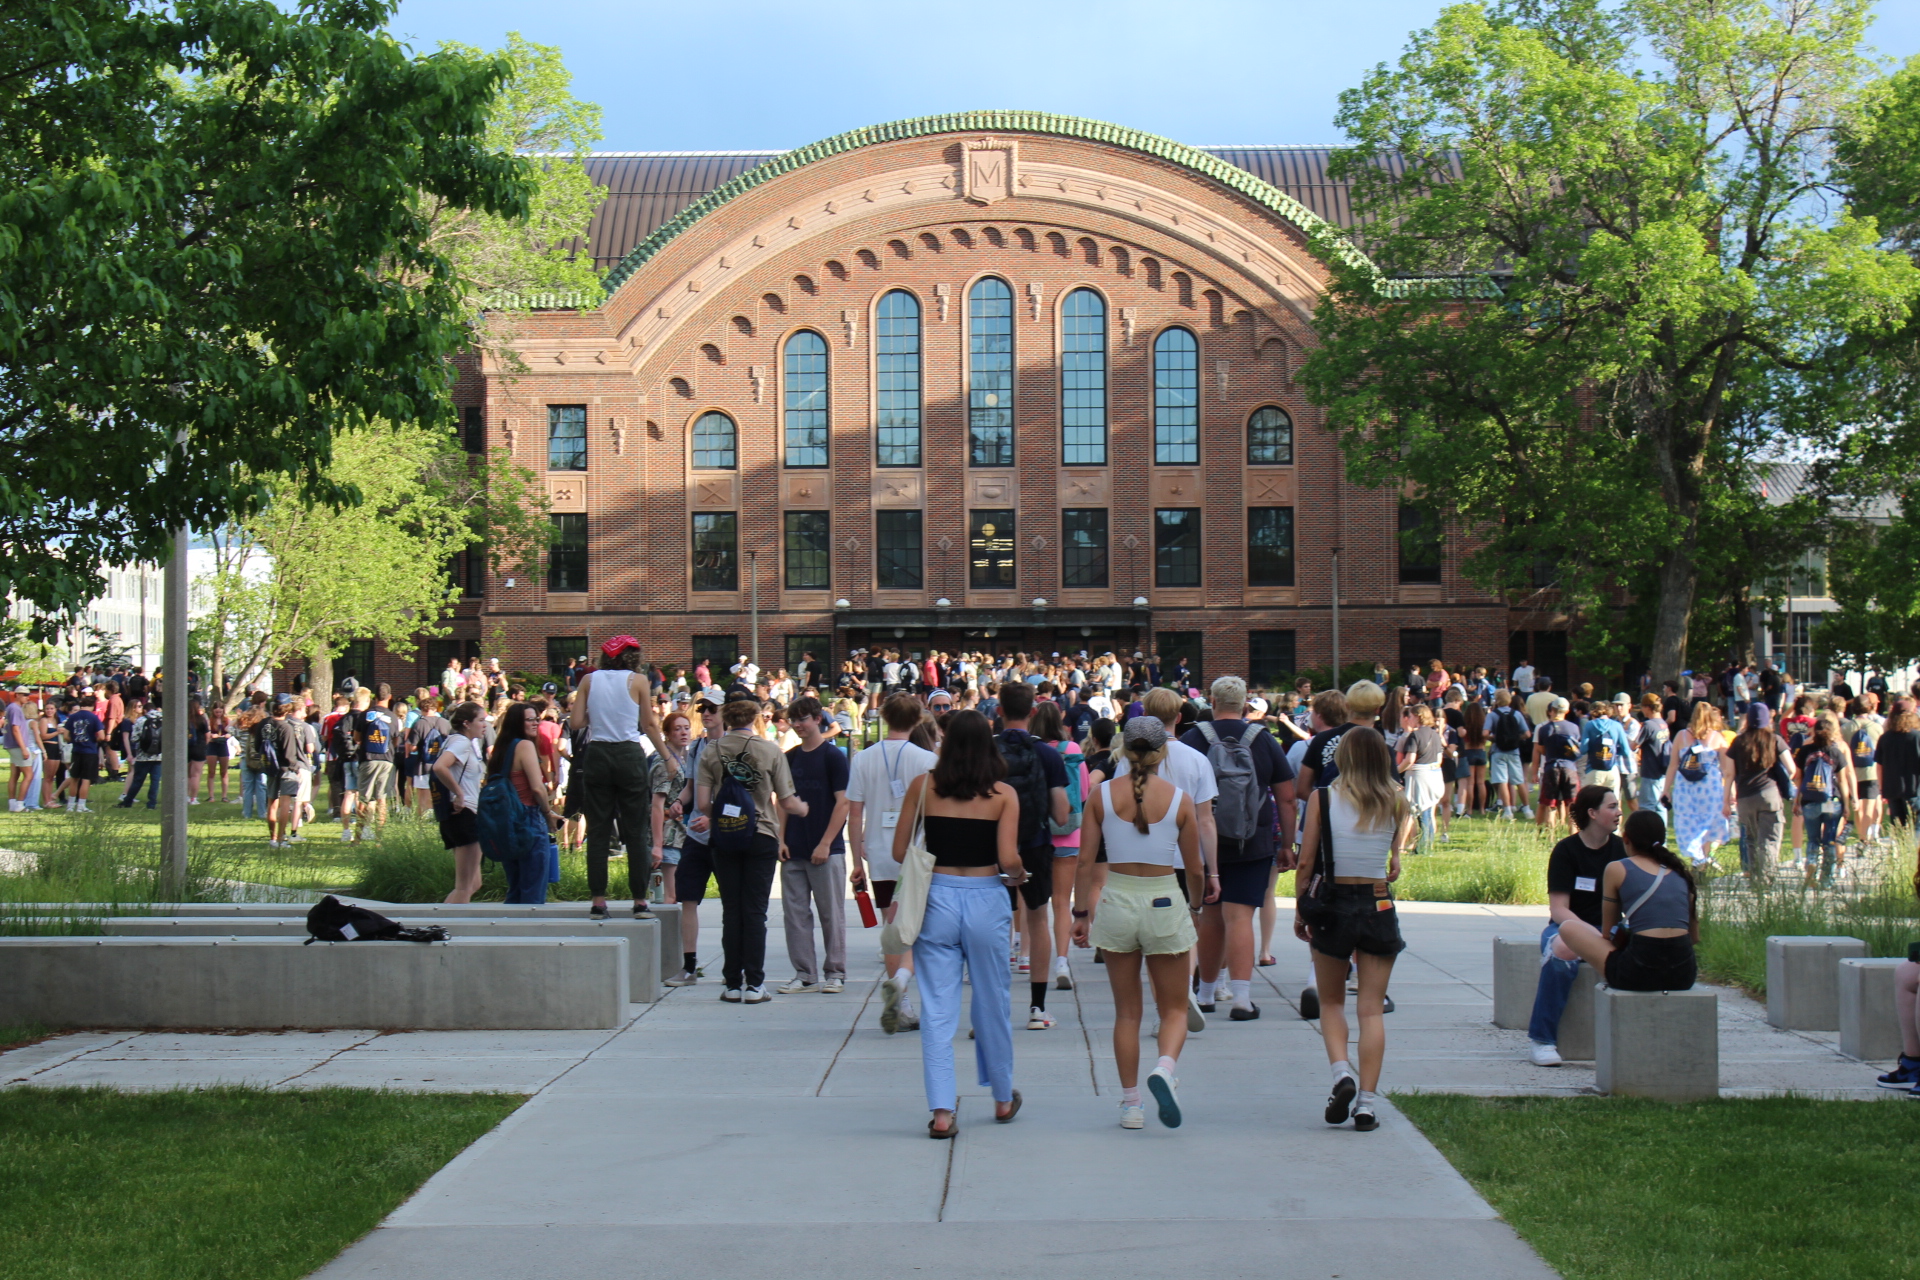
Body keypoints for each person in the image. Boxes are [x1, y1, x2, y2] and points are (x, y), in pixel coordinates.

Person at [895, 709, 1027, 1137]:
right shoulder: (1004, 794)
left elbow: (901, 850)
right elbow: (1008, 860)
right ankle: (1003, 1097)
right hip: (987, 897)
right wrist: (1021, 873)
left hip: (937, 896)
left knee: (937, 1006)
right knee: (993, 1000)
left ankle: (941, 1111)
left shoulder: (924, 786)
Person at [1074, 716, 1202, 1128]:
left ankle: (1131, 1105)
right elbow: (1195, 868)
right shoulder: (1179, 799)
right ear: (1163, 750)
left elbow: (1084, 860)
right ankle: (1164, 1068)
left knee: (1126, 1013)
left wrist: (1080, 913)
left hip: (1117, 900)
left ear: (1122, 750)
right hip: (1164, 898)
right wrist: (1195, 905)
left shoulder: (1100, 796)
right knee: (1175, 1009)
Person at [1294, 729, 1413, 1132]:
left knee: (1330, 1002)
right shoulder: (1396, 799)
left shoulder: (1322, 799)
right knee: (1371, 1008)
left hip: (1334, 904)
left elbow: (1306, 861)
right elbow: (1394, 861)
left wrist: (1301, 911)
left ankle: (1341, 1074)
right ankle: (1366, 1103)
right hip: (1378, 902)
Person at [1180, 675, 1294, 1021]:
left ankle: (1205, 993)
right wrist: (1287, 843)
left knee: (1210, 917)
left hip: (1203, 843)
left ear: (1211, 703)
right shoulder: (1263, 740)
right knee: (1240, 917)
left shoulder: (1193, 739)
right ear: (1246, 705)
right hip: (1253, 840)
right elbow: (1287, 797)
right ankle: (1242, 999)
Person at [694, 696, 806, 1003]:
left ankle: (732, 983)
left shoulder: (711, 751)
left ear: (726, 719)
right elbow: (786, 799)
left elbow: (703, 804)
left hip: (726, 835)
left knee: (732, 910)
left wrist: (723, 809)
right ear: (755, 718)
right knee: (755, 911)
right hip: (762, 834)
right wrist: (804, 809)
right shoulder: (769, 750)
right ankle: (756, 984)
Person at [569, 637, 674, 921]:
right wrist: (668, 757)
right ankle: (640, 900)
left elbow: (576, 723)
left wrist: (600, 716)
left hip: (598, 752)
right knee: (636, 829)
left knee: (599, 829)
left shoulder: (589, 681)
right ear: (632, 657)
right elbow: (649, 724)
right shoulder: (638, 681)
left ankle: (598, 901)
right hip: (629, 754)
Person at [1526, 785, 1626, 1066]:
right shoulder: (1566, 851)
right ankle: (1542, 1041)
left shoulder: (1621, 850)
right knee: (1562, 949)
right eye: (1612, 806)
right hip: (1568, 926)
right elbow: (1559, 910)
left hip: (1611, 928)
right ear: (1592, 813)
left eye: (1618, 806)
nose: (1619, 812)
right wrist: (1590, 935)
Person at [1549, 809, 1699, 993]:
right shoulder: (1681, 872)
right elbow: (1694, 937)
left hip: (1637, 973)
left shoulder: (1617, 868)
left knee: (1567, 927)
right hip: (1684, 974)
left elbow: (1607, 932)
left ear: (1626, 838)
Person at [992, 681, 1071, 1030]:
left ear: (999, 712)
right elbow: (1062, 815)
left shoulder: (986, 753)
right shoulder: (1049, 755)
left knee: (994, 926)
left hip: (992, 849)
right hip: (1036, 846)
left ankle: (991, 1010)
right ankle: (1038, 1009)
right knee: (1038, 921)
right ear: (1034, 712)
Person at [777, 696, 852, 994]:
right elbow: (783, 801)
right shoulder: (790, 757)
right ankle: (804, 973)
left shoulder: (833, 757)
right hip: (793, 847)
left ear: (818, 719)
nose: (798, 725)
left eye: (803, 719)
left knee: (831, 913)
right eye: (794, 720)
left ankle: (835, 972)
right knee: (795, 914)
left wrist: (826, 843)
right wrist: (780, 839)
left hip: (826, 850)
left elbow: (843, 802)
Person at [666, 690, 727, 985]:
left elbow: (741, 796)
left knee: (733, 900)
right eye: (703, 708)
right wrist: (678, 802)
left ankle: (736, 965)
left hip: (727, 833)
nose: (706, 713)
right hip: (696, 834)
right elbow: (691, 788)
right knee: (687, 898)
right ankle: (689, 966)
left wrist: (714, 817)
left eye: (713, 709)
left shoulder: (734, 746)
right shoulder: (697, 747)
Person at [488, 701, 563, 904]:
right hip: (528, 819)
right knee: (533, 889)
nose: (535, 723)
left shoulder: (502, 748)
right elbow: (537, 788)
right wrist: (547, 814)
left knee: (516, 887)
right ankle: (531, 931)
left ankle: (510, 932)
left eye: (536, 719)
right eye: (529, 720)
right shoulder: (525, 745)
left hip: (506, 822)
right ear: (516, 723)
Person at [1664, 701, 1733, 867]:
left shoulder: (1681, 736)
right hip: (1710, 789)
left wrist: (1666, 789)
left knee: (1688, 824)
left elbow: (1673, 765)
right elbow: (1726, 770)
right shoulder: (1718, 739)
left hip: (1685, 789)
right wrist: (1730, 794)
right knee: (1708, 826)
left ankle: (1697, 860)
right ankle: (1703, 858)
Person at [431, 701, 489, 902]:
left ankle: (446, 923)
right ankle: (447, 927)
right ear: (466, 723)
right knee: (464, 886)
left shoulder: (457, 741)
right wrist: (459, 793)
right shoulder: (461, 743)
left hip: (462, 815)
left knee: (474, 883)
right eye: (481, 720)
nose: (485, 725)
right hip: (464, 816)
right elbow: (439, 767)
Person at [1794, 713, 1854, 887]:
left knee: (1813, 838)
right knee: (1829, 840)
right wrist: (1846, 804)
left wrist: (1797, 800)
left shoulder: (1805, 751)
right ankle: (1827, 879)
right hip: (1831, 801)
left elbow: (1799, 778)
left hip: (1810, 801)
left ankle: (1811, 861)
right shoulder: (1835, 751)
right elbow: (1842, 780)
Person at [648, 711, 693, 908]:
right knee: (669, 896)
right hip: (668, 837)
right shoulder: (664, 763)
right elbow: (657, 804)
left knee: (678, 895)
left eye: (686, 728)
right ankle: (664, 938)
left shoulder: (683, 759)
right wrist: (657, 845)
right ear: (667, 734)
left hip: (681, 835)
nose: (683, 733)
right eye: (677, 729)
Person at [1396, 704, 1446, 849]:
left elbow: (1410, 760)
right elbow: (1439, 759)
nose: (1409, 719)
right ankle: (1427, 845)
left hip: (1419, 776)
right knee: (1429, 810)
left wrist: (1396, 771)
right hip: (1435, 775)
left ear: (1418, 717)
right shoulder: (1435, 734)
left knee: (1412, 811)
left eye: (1411, 716)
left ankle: (1405, 846)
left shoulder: (1415, 735)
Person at [1530, 697, 1582, 833]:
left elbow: (1541, 750)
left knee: (1550, 804)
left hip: (1551, 767)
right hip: (1569, 767)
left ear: (1552, 710)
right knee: (1572, 805)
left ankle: (1550, 835)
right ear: (1567, 711)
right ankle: (1573, 835)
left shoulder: (1544, 729)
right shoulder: (1574, 728)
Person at [1487, 690, 1532, 818]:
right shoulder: (1516, 714)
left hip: (1498, 751)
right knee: (1519, 781)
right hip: (1514, 751)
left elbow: (1485, 733)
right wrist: (1515, 738)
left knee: (1502, 781)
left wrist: (1496, 739)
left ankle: (1507, 811)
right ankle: (1527, 809)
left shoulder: (1492, 715)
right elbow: (1527, 734)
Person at [1875, 704, 1920, 829]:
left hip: (1892, 789)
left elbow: (1879, 766)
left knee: (1899, 829)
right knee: (1916, 828)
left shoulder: (1885, 738)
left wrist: (1881, 789)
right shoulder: (1917, 737)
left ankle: (1902, 848)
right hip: (1914, 788)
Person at [114, 698, 163, 809]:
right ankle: (152, 803)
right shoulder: (163, 720)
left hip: (142, 756)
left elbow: (134, 738)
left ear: (145, 710)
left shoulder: (141, 721)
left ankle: (128, 801)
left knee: (138, 780)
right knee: (155, 781)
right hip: (158, 756)